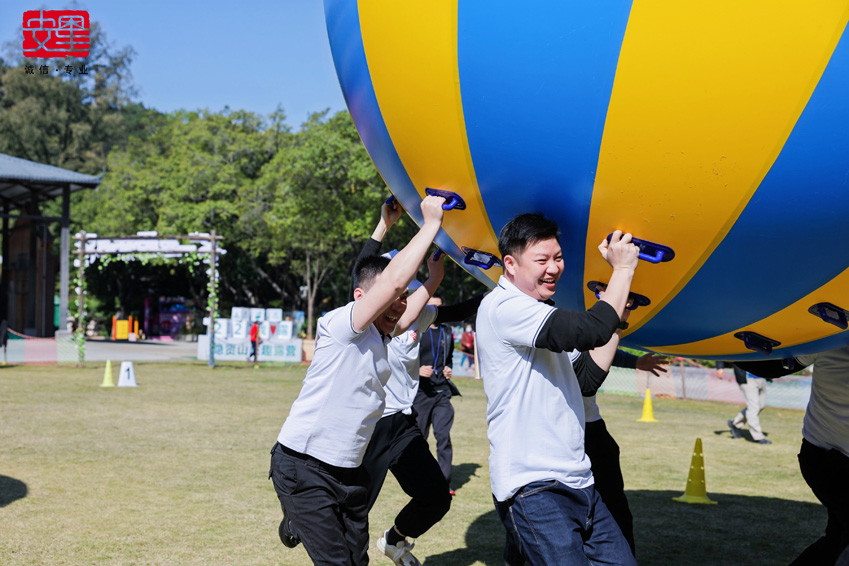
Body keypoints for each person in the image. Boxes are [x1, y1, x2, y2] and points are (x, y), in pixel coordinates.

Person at [268, 195, 446, 566]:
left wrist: (433, 280)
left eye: (401, 300)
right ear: (361, 297)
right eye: (393, 297)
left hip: (348, 475)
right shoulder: (341, 327)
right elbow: (393, 282)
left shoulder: (382, 335)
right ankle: (297, 518)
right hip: (304, 468)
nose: (399, 303)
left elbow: (407, 309)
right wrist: (430, 225)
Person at [477, 212, 640, 565]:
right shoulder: (505, 308)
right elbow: (591, 329)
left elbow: (585, 380)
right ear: (510, 264)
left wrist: (618, 319)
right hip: (533, 487)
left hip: (579, 480)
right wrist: (623, 270)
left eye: (558, 257)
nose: (554, 268)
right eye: (542, 260)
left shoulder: (540, 312)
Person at [345, 200, 484, 565]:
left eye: (405, 288)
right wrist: (382, 227)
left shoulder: (416, 315)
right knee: (354, 508)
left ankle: (394, 540)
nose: (399, 295)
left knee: (436, 497)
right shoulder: (362, 316)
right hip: (369, 424)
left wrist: (499, 287)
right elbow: (361, 272)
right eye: (395, 286)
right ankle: (305, 514)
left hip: (402, 425)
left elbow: (456, 312)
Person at [738, 348, 849, 566]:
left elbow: (772, 366)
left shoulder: (833, 338)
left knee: (837, 539)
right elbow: (772, 366)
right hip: (828, 461)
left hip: (820, 457)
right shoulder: (834, 338)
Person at [413, 295, 458, 492]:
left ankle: (443, 483)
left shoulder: (447, 332)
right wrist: (417, 370)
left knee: (443, 437)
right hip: (422, 393)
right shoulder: (417, 331)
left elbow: (448, 359)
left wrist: (448, 369)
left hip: (442, 392)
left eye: (439, 307)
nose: (435, 311)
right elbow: (401, 362)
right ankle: (420, 480)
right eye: (431, 307)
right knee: (419, 439)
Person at [717, 362, 772, 444]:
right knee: (754, 408)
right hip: (747, 378)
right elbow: (723, 350)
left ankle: (735, 423)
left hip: (762, 377)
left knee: (761, 406)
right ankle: (758, 436)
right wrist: (720, 367)